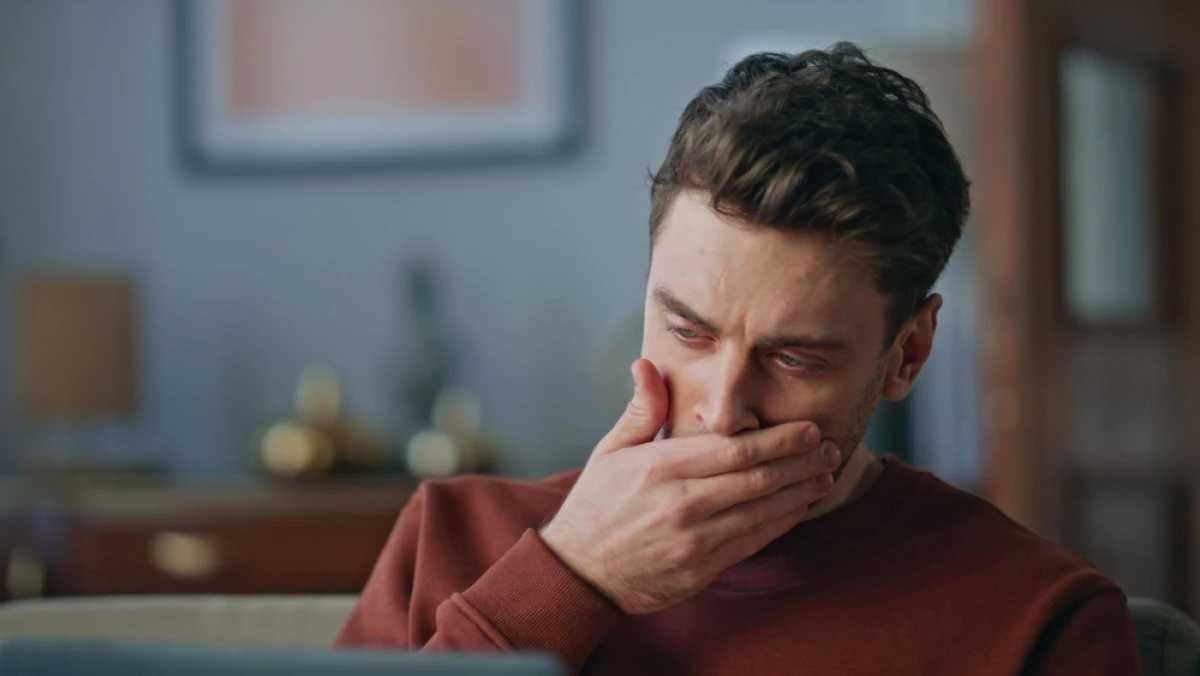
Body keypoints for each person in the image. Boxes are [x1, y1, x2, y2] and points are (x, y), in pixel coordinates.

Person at [336, 43, 1139, 674]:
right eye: (687, 332)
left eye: (793, 358)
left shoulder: (1041, 620)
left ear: (909, 353)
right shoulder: (451, 538)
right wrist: (570, 580)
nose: (721, 412)